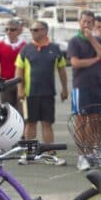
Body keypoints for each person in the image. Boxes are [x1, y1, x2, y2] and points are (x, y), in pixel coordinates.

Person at [15, 21, 68, 166]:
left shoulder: (55, 49)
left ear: (45, 31)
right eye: (32, 30)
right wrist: (20, 89)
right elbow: (18, 70)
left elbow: (62, 70)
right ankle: (28, 153)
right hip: (30, 93)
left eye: (36, 30)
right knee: (30, 123)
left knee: (47, 123)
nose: (33, 32)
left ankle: (49, 153)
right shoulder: (26, 50)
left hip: (48, 93)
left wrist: (64, 88)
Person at [68, 10, 101, 171]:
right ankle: (81, 156)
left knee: (95, 120)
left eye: (89, 22)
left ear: (93, 24)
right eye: (84, 21)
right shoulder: (74, 42)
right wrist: (94, 59)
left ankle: (91, 152)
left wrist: (92, 40)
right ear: (79, 22)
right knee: (81, 120)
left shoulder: (97, 40)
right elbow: (75, 63)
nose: (86, 25)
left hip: (96, 85)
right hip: (81, 86)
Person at [0, 19, 25, 109]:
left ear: (18, 31)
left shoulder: (24, 46)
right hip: (6, 83)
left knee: (22, 110)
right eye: (7, 29)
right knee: (7, 110)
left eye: (12, 29)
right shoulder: (0, 45)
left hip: (21, 83)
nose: (9, 32)